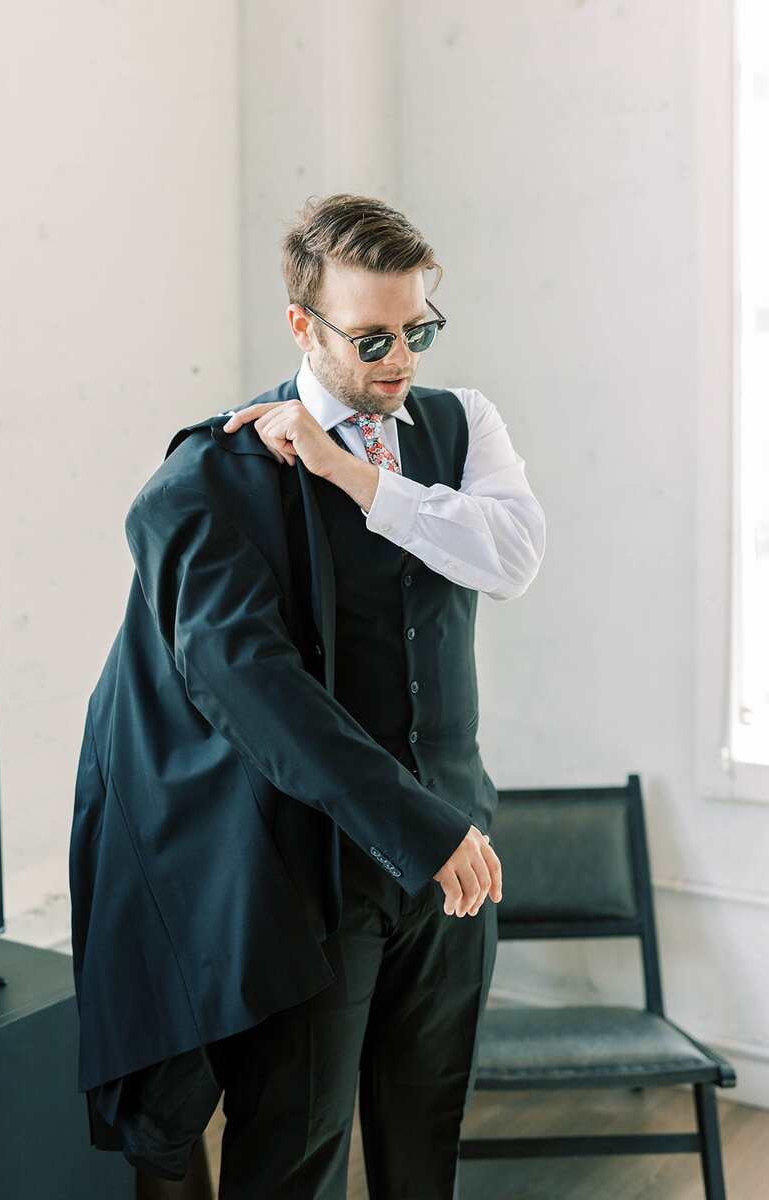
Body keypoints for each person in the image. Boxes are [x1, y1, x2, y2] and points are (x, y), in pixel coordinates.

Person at [69, 193, 545, 1200]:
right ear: (302, 324)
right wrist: (421, 831)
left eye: (417, 328)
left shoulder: (461, 427)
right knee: (294, 1155)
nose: (400, 359)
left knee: (424, 1136)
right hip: (309, 884)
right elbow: (260, 695)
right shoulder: (206, 480)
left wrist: (344, 471)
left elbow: (508, 556)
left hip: (456, 856)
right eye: (372, 336)